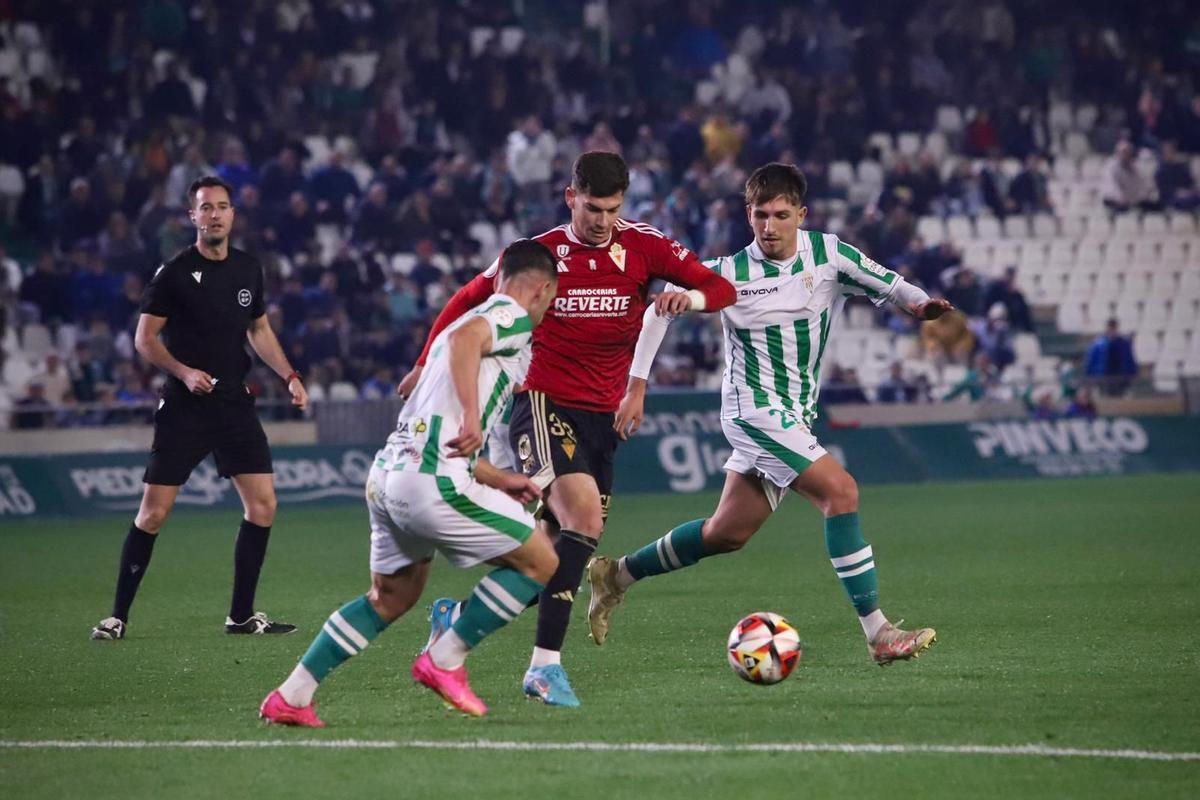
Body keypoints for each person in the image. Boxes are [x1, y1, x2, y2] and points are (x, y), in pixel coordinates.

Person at [395, 152, 735, 706]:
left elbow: (720, 288)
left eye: (612, 209)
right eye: (592, 207)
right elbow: (466, 299)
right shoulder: (538, 255)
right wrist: (422, 359)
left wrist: (689, 298)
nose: (602, 220)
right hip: (542, 399)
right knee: (582, 517)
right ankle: (543, 668)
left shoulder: (646, 246)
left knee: (555, 556)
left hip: (603, 416)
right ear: (569, 195)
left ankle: (458, 617)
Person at [586, 163, 950, 666]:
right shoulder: (727, 273)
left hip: (795, 414)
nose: (770, 226)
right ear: (748, 215)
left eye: (782, 215)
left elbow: (888, 282)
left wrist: (919, 305)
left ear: (801, 214)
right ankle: (879, 633)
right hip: (751, 410)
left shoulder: (828, 255)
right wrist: (638, 386)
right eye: (761, 215)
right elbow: (656, 311)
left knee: (725, 534)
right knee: (840, 492)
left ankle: (616, 575)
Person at [259, 240, 560, 726]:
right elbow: (467, 368)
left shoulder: (453, 332)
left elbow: (444, 425)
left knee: (391, 597)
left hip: (390, 475)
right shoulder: (508, 317)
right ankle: (444, 659)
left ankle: (292, 696)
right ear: (541, 289)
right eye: (549, 301)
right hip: (430, 482)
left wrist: (500, 477)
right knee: (542, 561)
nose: (547, 311)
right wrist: (472, 418)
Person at [90, 176, 308, 641]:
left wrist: (289, 375)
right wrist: (185, 372)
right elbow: (144, 340)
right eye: (206, 207)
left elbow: (260, 331)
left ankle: (241, 616)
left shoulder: (249, 268)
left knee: (264, 505)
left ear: (233, 215)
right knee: (153, 514)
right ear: (193, 216)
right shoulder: (173, 273)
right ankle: (117, 617)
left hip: (233, 402)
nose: (215, 214)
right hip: (185, 406)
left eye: (223, 206)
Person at [1084, 318, 1138, 396]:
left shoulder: (1124, 343)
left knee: (1119, 397)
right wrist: (1090, 375)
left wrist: (1133, 372)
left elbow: (1129, 359)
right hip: (1103, 377)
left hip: (1120, 377)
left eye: (1114, 328)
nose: (1112, 330)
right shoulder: (1098, 344)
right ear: (1107, 328)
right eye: (1110, 327)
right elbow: (1091, 361)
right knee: (1105, 397)